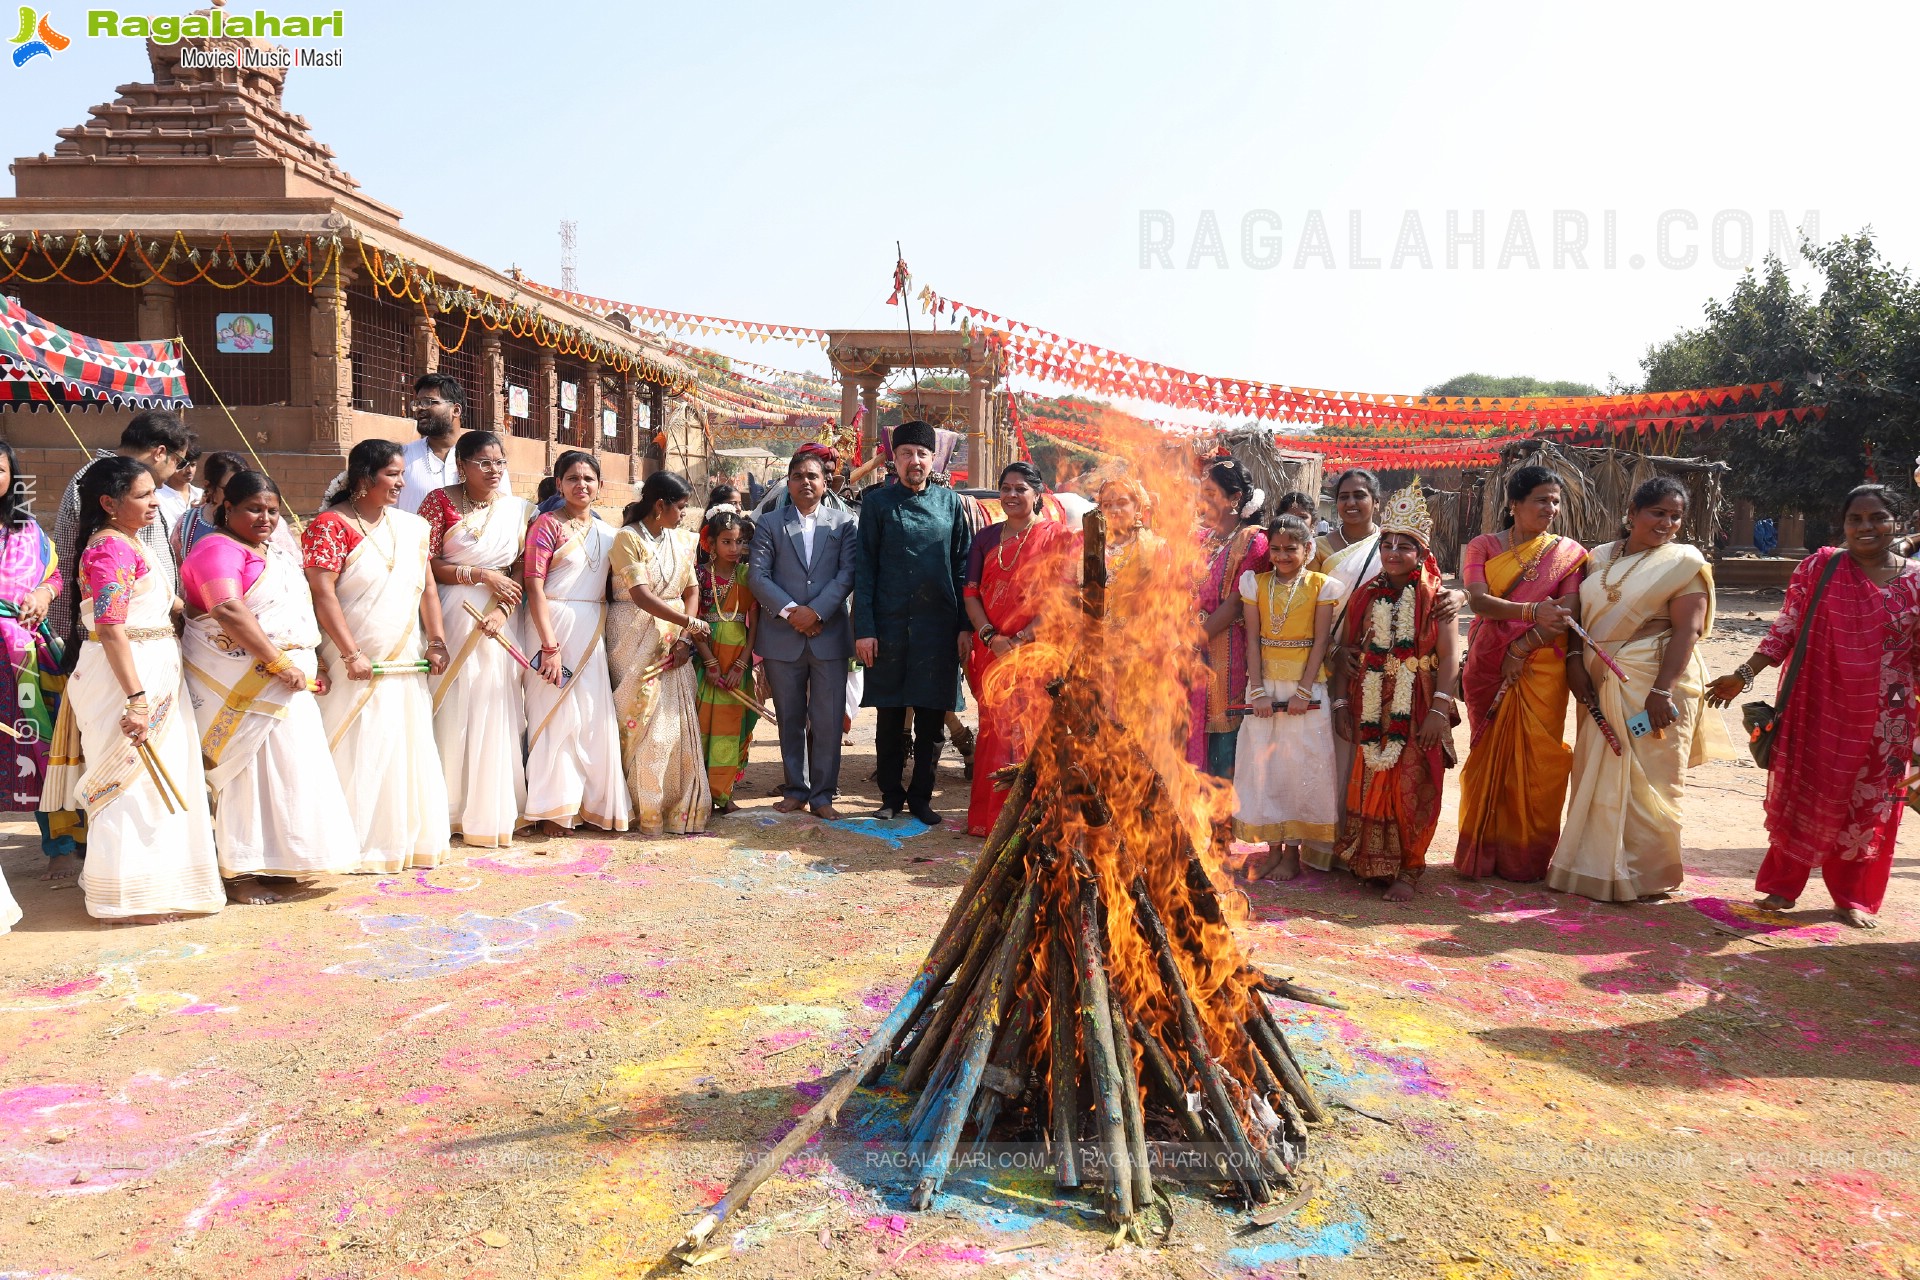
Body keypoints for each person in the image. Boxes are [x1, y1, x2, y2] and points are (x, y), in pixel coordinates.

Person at [1707, 484, 1920, 929]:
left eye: (1877, 518)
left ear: (1896, 522)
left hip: (1888, 715)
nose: (1866, 527)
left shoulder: (1917, 582)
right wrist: (1743, 675)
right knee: (1808, 790)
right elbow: (1786, 627)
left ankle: (1852, 896)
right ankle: (1784, 886)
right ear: (1842, 524)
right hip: (1819, 704)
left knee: (1871, 803)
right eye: (1855, 519)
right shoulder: (1820, 567)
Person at [181, 471, 358, 899]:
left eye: (273, 511)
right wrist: (278, 663)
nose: (265, 518)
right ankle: (240, 872)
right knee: (246, 772)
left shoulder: (274, 551)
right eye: (254, 509)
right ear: (228, 509)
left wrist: (312, 659)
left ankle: (281, 861)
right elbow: (227, 609)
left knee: (291, 769)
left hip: (289, 679)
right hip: (243, 678)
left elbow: (295, 612)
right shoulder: (216, 548)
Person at [62, 457, 223, 923]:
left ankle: (163, 887)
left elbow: (165, 602)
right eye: (143, 495)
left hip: (155, 669)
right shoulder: (108, 550)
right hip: (124, 676)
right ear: (109, 503)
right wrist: (135, 698)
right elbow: (112, 628)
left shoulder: (131, 542)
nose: (155, 501)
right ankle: (126, 897)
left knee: (166, 780)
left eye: (155, 492)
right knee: (128, 784)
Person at [1552, 478, 1718, 902]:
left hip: (1656, 683)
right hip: (1598, 677)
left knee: (1651, 775)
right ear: (1632, 512)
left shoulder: (1683, 562)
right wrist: (1574, 661)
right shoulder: (1599, 557)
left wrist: (1661, 691)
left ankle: (1647, 874)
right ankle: (1590, 866)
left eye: (1675, 515)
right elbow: (1579, 618)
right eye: (1657, 513)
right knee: (1596, 765)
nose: (1667, 523)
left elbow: (1688, 630)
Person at [303, 439, 452, 873]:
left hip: (403, 657)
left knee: (401, 740)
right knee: (355, 743)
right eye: (392, 474)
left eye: (403, 474)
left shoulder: (410, 528)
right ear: (363, 479)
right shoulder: (330, 525)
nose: (401, 483)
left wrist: (437, 640)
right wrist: (350, 654)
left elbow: (426, 588)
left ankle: (401, 841)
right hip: (354, 659)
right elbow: (321, 592)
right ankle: (349, 841)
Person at [1454, 466, 1588, 883]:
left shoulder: (1569, 553)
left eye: (1555, 500)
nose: (1550, 508)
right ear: (1514, 504)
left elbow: (1566, 613)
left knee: (1539, 758)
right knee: (1487, 754)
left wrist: (1522, 645)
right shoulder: (1483, 545)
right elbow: (1478, 601)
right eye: (1541, 500)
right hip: (1487, 663)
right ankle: (1481, 851)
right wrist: (1530, 612)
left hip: (1543, 663)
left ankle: (1524, 859)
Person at [1331, 482, 1461, 903]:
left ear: (1422, 554)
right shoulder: (1365, 596)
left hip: (1419, 700)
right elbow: (1346, 650)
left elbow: (1450, 657)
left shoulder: (1437, 599)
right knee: (1370, 776)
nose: (1392, 552)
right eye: (1387, 544)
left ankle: (1410, 868)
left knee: (1415, 782)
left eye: (1404, 546)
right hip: (1371, 698)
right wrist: (1339, 701)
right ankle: (1369, 860)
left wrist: (1439, 712)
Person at [853, 420, 973, 825]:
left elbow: (962, 568)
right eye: (906, 454)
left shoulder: (951, 504)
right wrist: (865, 628)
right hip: (887, 625)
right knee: (888, 715)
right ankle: (890, 794)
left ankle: (922, 796)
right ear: (895, 459)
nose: (914, 461)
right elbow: (864, 570)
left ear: (932, 458)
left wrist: (963, 627)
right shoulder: (877, 504)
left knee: (932, 719)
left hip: (938, 628)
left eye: (922, 454)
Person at [420, 430, 534, 849]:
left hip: (502, 617)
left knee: (496, 702)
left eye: (499, 462)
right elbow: (426, 562)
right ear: (462, 464)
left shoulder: (519, 510)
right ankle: (447, 807)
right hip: (452, 610)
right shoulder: (439, 501)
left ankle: (493, 808)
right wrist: (481, 575)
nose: (493, 471)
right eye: (483, 462)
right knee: (453, 703)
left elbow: (523, 566)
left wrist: (504, 611)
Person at [520, 451, 630, 835]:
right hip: (551, 625)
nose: (581, 485)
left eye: (588, 478)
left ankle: (592, 804)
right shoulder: (546, 526)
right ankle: (554, 809)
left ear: (600, 486)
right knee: (553, 717)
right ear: (558, 484)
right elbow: (533, 585)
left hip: (591, 629)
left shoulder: (609, 533)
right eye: (572, 478)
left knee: (592, 717)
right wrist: (549, 647)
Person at [960, 462, 1073, 836]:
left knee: (1033, 731)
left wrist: (1023, 640)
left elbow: (1062, 599)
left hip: (1039, 650)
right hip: (993, 650)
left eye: (1020, 488)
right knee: (995, 731)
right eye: (1005, 487)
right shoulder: (986, 539)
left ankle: (1034, 819)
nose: (1010, 495)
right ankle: (990, 819)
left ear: (1038, 494)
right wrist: (993, 638)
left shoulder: (1058, 538)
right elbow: (971, 594)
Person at [748, 448, 857, 820]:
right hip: (783, 636)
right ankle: (796, 788)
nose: (806, 482)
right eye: (799, 477)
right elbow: (757, 576)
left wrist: (817, 612)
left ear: (826, 484)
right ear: (788, 483)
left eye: (813, 477)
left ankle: (824, 795)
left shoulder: (845, 524)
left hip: (829, 635)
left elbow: (847, 575)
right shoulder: (769, 522)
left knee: (827, 721)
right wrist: (794, 613)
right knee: (790, 718)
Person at [1235, 513, 1345, 879]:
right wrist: (1258, 691)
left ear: (1307, 548)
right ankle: (1272, 849)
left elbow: (1320, 642)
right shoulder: (1255, 584)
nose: (1282, 556)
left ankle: (1293, 853)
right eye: (1277, 549)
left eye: (1291, 549)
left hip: (1305, 688)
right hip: (1265, 686)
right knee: (1266, 765)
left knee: (1300, 765)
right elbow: (1252, 639)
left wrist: (1302, 691)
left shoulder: (1322, 586)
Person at [610, 471, 710, 835]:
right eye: (680, 507)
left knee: (675, 727)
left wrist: (685, 637)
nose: (684, 515)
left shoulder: (683, 541)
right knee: (643, 727)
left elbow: (692, 589)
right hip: (633, 635)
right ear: (659, 505)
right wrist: (690, 623)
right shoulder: (626, 538)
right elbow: (639, 594)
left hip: (675, 640)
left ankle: (677, 808)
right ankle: (642, 808)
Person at [0, 441, 70, 873]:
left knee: (44, 747)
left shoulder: (25, 529)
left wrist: (44, 593)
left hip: (26, 659)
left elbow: (55, 574)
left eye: (0, 469)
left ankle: (59, 845)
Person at [1191, 457, 1269, 777]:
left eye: (1210, 493)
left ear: (1235, 498)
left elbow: (1236, 603)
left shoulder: (1254, 540)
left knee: (1224, 749)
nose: (1201, 500)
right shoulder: (1199, 538)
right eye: (1201, 492)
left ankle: (1224, 823)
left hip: (1228, 654)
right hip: (1190, 652)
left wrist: (1191, 640)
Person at [692, 509, 760, 815]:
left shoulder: (747, 575)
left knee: (731, 729)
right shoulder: (698, 576)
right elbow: (692, 621)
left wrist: (741, 665)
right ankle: (699, 791)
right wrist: (708, 661)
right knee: (701, 726)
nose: (735, 549)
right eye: (727, 542)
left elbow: (754, 625)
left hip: (736, 662)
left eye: (739, 542)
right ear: (710, 543)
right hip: (705, 657)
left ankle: (724, 792)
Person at [397, 373, 465, 515]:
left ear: (456, 410)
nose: (420, 408)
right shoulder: (402, 457)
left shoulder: (484, 458)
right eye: (417, 403)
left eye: (428, 402)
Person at [170, 450, 251, 564]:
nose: (238, 494)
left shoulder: (261, 520)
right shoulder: (188, 522)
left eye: (244, 487)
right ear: (209, 486)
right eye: (229, 488)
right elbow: (175, 566)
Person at [155, 444, 201, 532]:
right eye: (184, 465)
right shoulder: (157, 496)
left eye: (193, 465)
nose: (189, 470)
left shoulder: (200, 494)